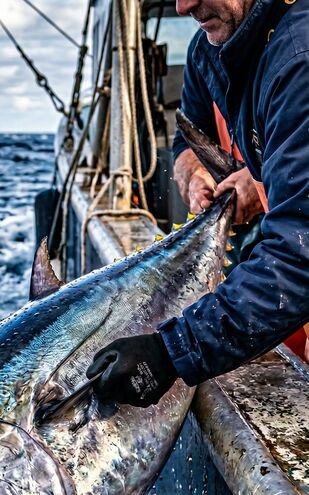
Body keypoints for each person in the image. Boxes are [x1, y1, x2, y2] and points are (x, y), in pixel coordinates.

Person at [87, 0, 309, 407]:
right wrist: (194, 176)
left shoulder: (300, 59)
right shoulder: (209, 49)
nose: (183, 5)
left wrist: (171, 351)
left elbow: (302, 256)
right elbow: (187, 138)